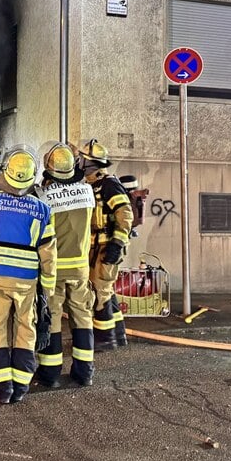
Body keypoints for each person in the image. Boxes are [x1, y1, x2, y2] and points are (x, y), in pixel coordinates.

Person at [0, 149, 56, 404]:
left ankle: (1, 389)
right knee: (25, 328)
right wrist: (47, 290)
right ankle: (20, 385)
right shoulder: (42, 210)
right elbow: (49, 254)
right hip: (27, 279)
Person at [35, 143, 96, 388]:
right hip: (81, 268)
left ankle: (50, 374)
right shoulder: (87, 193)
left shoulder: (44, 197)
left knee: (53, 318)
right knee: (83, 318)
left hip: (55, 271)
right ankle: (85, 372)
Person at [77, 140, 133, 351]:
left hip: (106, 247)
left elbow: (125, 214)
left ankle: (105, 339)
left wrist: (117, 244)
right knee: (106, 290)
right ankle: (117, 335)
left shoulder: (109, 184)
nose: (77, 161)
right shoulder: (89, 184)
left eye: (80, 158)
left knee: (100, 292)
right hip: (93, 249)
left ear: (89, 162)